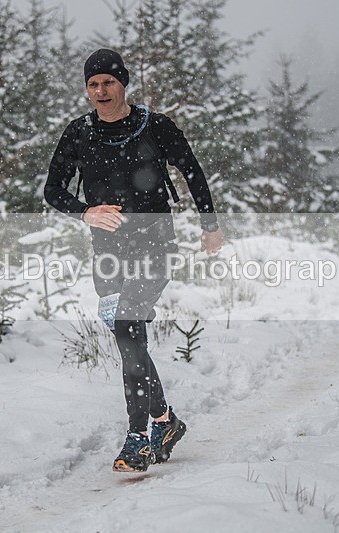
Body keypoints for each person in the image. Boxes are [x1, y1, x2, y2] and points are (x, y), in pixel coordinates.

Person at [45, 49, 224, 472]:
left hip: (155, 248)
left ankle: (138, 439)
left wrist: (210, 226)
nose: (101, 91)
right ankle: (164, 421)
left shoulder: (155, 127)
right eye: (93, 84)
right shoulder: (78, 133)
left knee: (128, 329)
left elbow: (192, 171)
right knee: (131, 343)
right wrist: (85, 211)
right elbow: (53, 190)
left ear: (123, 83)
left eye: (108, 82)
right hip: (106, 256)